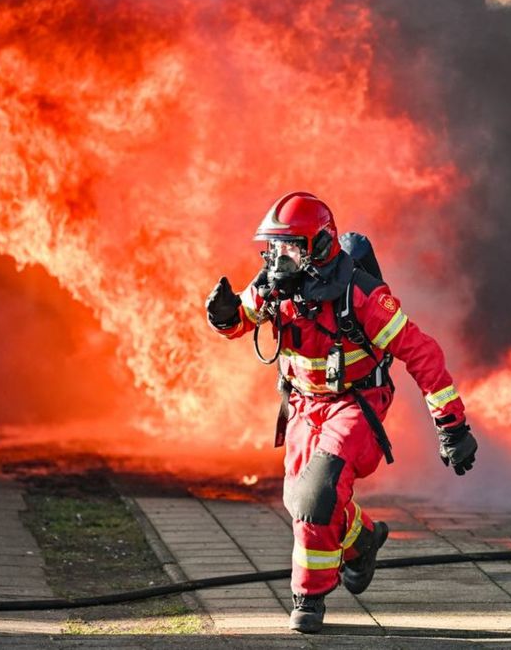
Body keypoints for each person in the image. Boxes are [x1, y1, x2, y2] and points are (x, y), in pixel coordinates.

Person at [205, 191, 478, 632]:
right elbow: (242, 319)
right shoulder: (276, 284)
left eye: (290, 248)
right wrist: (223, 316)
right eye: (274, 248)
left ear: (319, 246)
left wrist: (452, 426)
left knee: (316, 496)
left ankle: (308, 600)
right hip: (301, 406)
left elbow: (422, 353)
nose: (278, 260)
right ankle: (362, 541)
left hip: (357, 404)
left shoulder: (362, 295)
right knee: (300, 501)